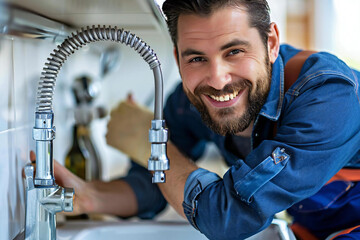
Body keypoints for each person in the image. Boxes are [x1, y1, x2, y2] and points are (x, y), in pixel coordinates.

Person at [29, 0, 360, 239]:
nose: (217, 80)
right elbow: (158, 183)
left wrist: (150, 143)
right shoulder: (190, 102)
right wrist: (92, 196)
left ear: (271, 43)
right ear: (177, 57)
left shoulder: (328, 96)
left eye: (234, 52)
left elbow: (228, 216)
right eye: (197, 58)